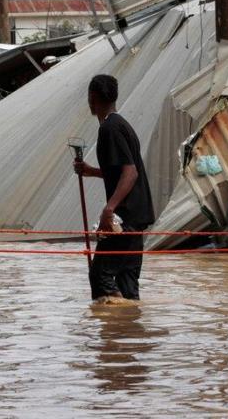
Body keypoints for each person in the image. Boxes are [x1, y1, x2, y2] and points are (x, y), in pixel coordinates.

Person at [73, 74, 155, 301]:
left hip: (124, 218)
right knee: (127, 283)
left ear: (92, 98)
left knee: (100, 276)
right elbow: (121, 171)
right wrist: (92, 171)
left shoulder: (109, 128)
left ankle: (115, 317)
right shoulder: (122, 125)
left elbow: (131, 172)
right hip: (137, 217)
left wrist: (109, 209)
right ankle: (129, 320)